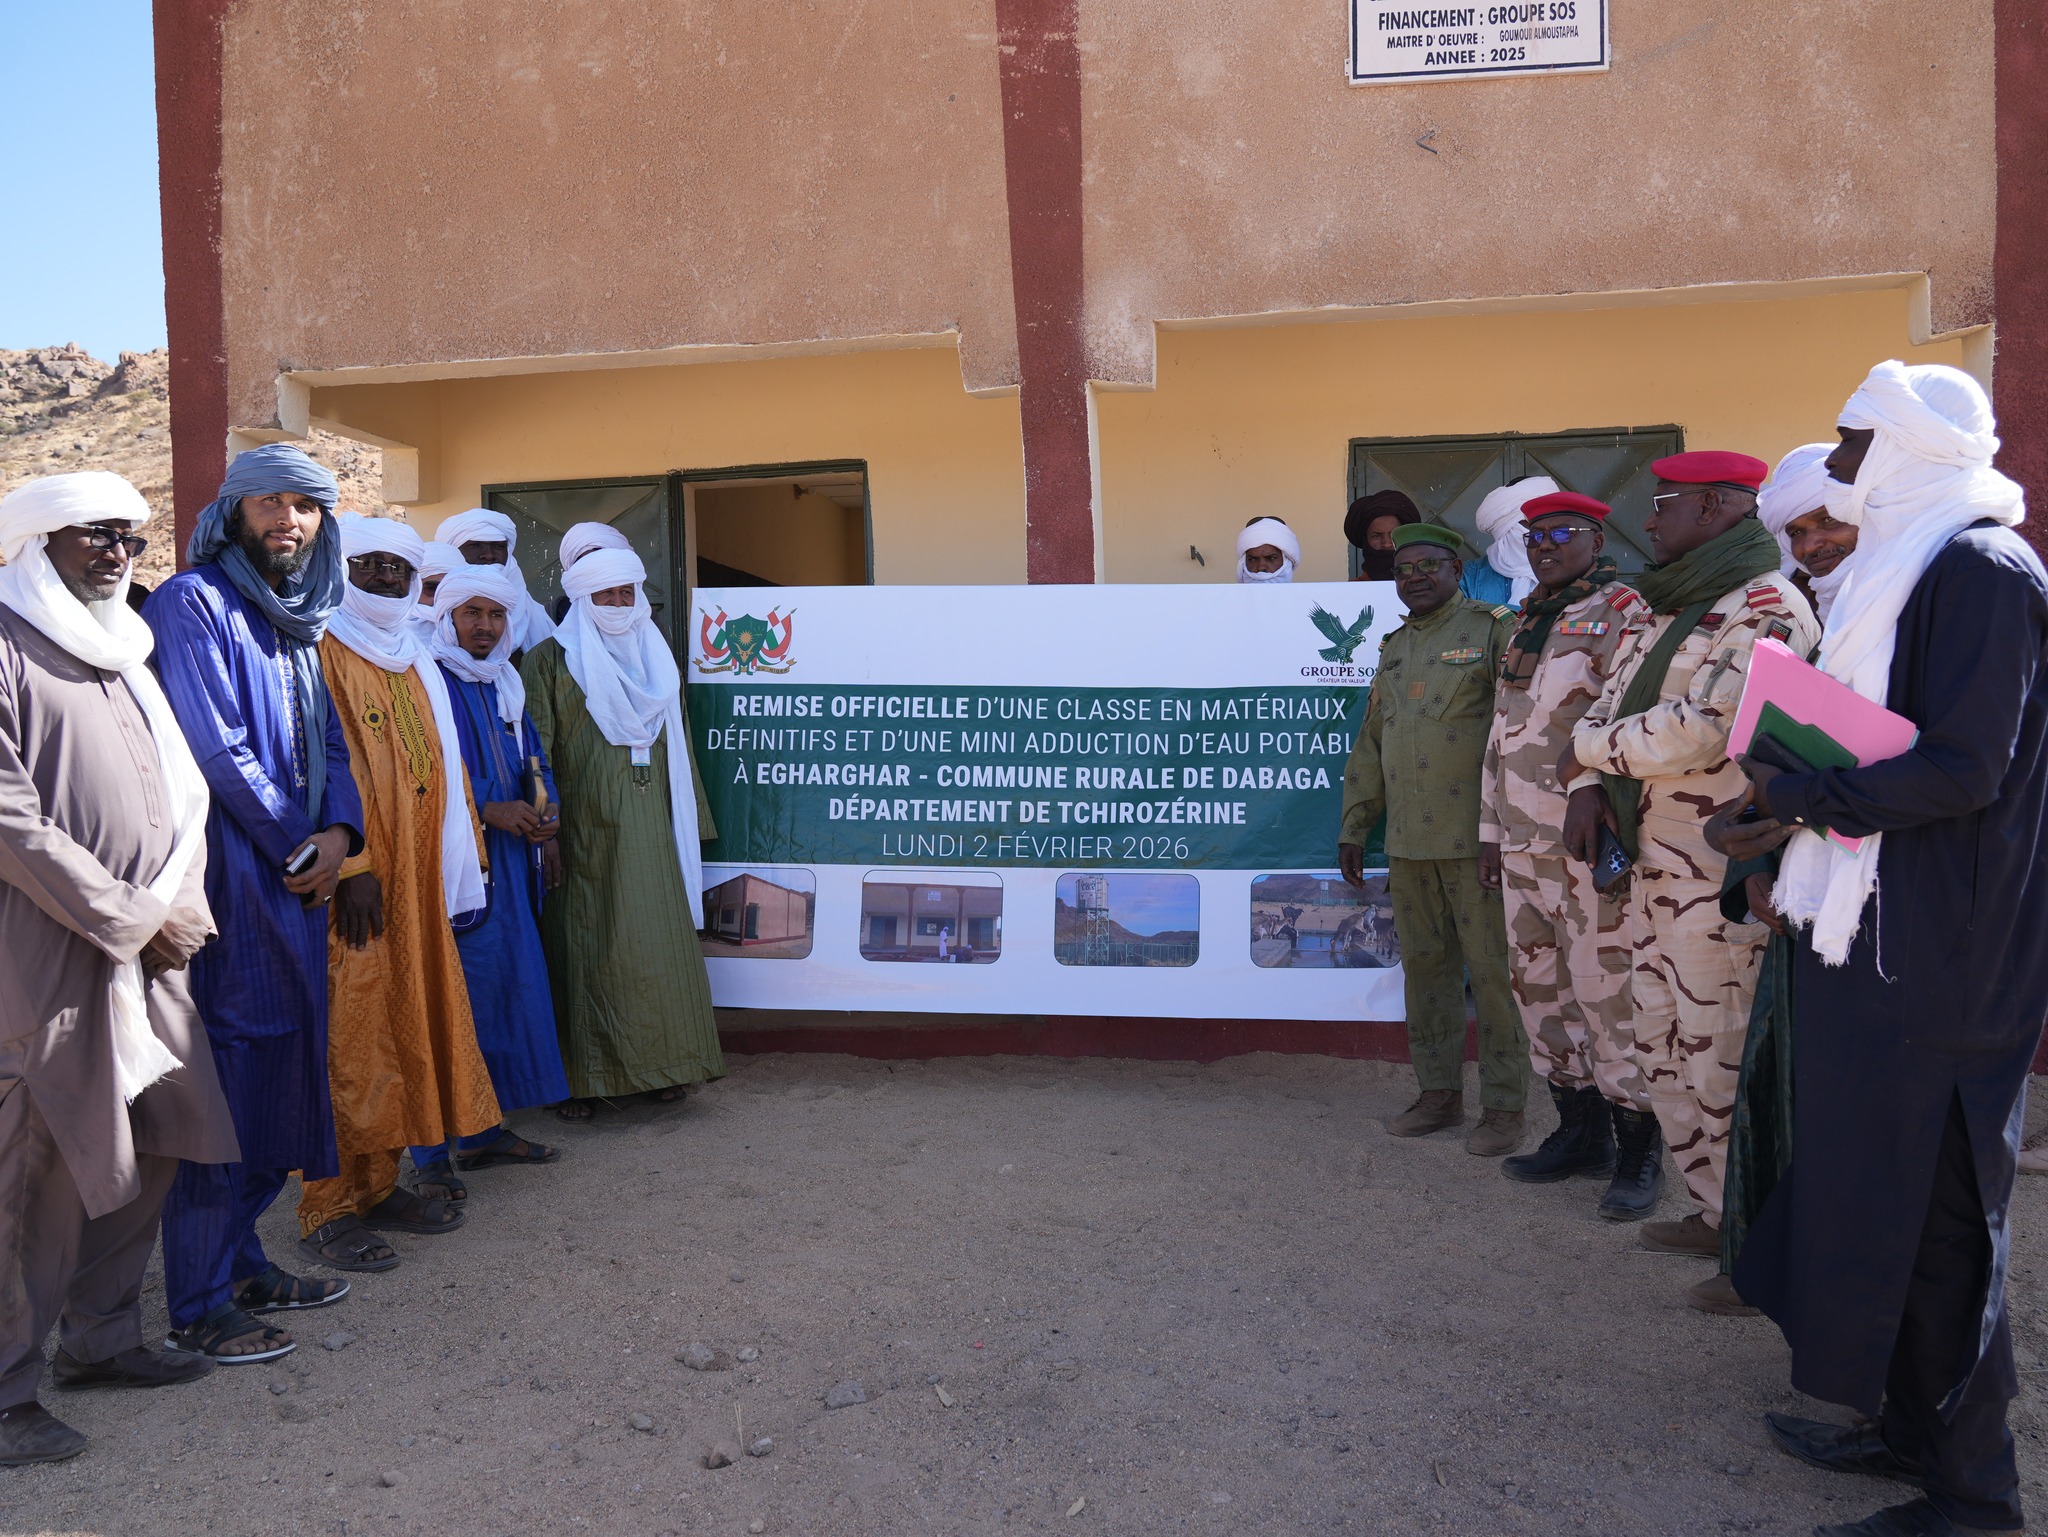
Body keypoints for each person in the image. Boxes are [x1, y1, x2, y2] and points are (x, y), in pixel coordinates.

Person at [1725, 362, 2045, 1537]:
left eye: (1852, 447)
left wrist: (1803, 793)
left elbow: (1964, 766)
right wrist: (1780, 800)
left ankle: (1973, 1497)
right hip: (1876, 932)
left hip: (1942, 952)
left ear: (1906, 452)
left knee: (1943, 1212)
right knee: (1882, 1195)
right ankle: (1908, 1429)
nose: (1841, 473)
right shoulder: (1907, 570)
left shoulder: (1978, 569)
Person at [0, 473, 241, 1465]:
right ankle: (7, 1393)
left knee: (158, 1139)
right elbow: (11, 819)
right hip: (47, 958)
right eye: (91, 534)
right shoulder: (7, 642)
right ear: (35, 543)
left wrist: (178, 903)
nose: (114, 552)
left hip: (151, 951)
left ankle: (100, 1339)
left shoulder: (125, 648)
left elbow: (176, 796)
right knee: (36, 1172)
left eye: (128, 537)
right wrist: (127, 916)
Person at [1563, 450, 1819, 1310]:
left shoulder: (1766, 606)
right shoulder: (1655, 603)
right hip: (1648, 864)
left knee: (1723, 1056)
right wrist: (1592, 768)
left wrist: (1592, 753)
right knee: (1665, 1046)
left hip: (1714, 869)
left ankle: (1757, 1249)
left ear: (1714, 507)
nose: (1651, 520)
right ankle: (1712, 1212)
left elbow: (1705, 730)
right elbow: (1603, 704)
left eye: (1664, 504)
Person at [145, 443, 364, 1360]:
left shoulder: (301, 623)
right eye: (269, 502)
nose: (289, 520)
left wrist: (342, 837)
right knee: (227, 1087)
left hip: (301, 884)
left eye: (306, 506)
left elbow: (338, 752)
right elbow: (214, 745)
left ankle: (241, 1261)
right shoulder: (191, 603)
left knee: (285, 1075)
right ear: (233, 513)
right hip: (234, 883)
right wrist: (295, 842)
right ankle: (198, 1302)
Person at [306, 515, 500, 1247]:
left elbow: (444, 767)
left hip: (416, 878)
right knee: (352, 1033)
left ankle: (381, 1185)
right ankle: (330, 1204)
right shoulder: (321, 646)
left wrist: (463, 855)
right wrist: (352, 864)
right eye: (372, 563)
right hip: (356, 883)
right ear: (343, 567)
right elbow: (317, 767)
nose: (387, 576)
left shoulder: (412, 650)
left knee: (403, 1024)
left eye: (399, 567)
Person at [1478, 491, 1665, 1217]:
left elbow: (1627, 720)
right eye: (1534, 536)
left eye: (1560, 533)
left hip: (1587, 847)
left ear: (1595, 537)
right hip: (1522, 849)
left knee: (1607, 996)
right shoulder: (1529, 617)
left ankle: (1639, 1155)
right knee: (1542, 996)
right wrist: (1491, 835)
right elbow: (1502, 739)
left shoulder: (1625, 611)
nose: (1544, 546)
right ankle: (1579, 1135)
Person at [1337, 523, 1526, 1155]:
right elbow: (1373, 740)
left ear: (1455, 568)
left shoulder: (1495, 629)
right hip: (1410, 844)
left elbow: (1519, 732)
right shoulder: (1392, 646)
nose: (1414, 577)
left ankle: (1503, 1105)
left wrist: (1509, 828)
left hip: (1478, 841)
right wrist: (1355, 825)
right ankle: (1438, 1095)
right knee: (1426, 972)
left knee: (1493, 973)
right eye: (1403, 569)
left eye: (1427, 566)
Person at [522, 546, 726, 1117]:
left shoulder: (657, 660)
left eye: (625, 593)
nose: (616, 604)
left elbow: (680, 750)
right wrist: (548, 829)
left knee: (655, 947)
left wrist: (693, 825)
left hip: (653, 829)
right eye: (604, 595)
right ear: (581, 601)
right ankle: (581, 1080)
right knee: (584, 950)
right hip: (582, 832)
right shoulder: (549, 661)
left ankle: (664, 1066)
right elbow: (534, 751)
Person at [414, 562, 568, 1174]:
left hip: (511, 856)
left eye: (497, 614)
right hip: (454, 860)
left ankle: (484, 1130)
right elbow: (422, 764)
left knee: (508, 989)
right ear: (447, 616)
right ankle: (431, 1146)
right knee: (456, 996)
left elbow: (532, 753)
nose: (485, 626)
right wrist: (485, 803)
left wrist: (547, 818)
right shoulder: (427, 676)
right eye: (472, 613)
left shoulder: (504, 679)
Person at [1759, 444, 1861, 625]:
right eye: (1796, 532)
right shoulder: (1821, 604)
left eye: (1829, 520)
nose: (1808, 546)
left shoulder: (1919, 593)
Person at [432, 508, 555, 651]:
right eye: (475, 546)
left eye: (497, 546)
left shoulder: (534, 614)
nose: (489, 555)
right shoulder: (427, 611)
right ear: (452, 552)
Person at [1468, 476, 1561, 609]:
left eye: (1553, 525)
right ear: (1505, 527)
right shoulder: (1470, 577)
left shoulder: (1571, 571)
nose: (1545, 541)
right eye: (1533, 525)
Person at [551, 521, 633, 622]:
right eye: (588, 566)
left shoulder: (647, 623)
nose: (617, 603)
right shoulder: (549, 619)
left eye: (625, 591)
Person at [1345, 490, 1421, 582]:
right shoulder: (1350, 591)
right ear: (1365, 539)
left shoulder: (1424, 588)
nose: (1386, 544)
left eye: (1393, 534)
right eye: (1376, 536)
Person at [410, 539, 462, 638]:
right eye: (432, 588)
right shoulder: (386, 633)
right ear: (413, 588)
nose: (440, 599)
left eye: (451, 591)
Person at [1236, 517, 1299, 583]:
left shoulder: (1307, 593)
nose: (1261, 568)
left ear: (1288, 561)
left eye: (1271, 558)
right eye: (1252, 559)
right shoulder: (1225, 593)